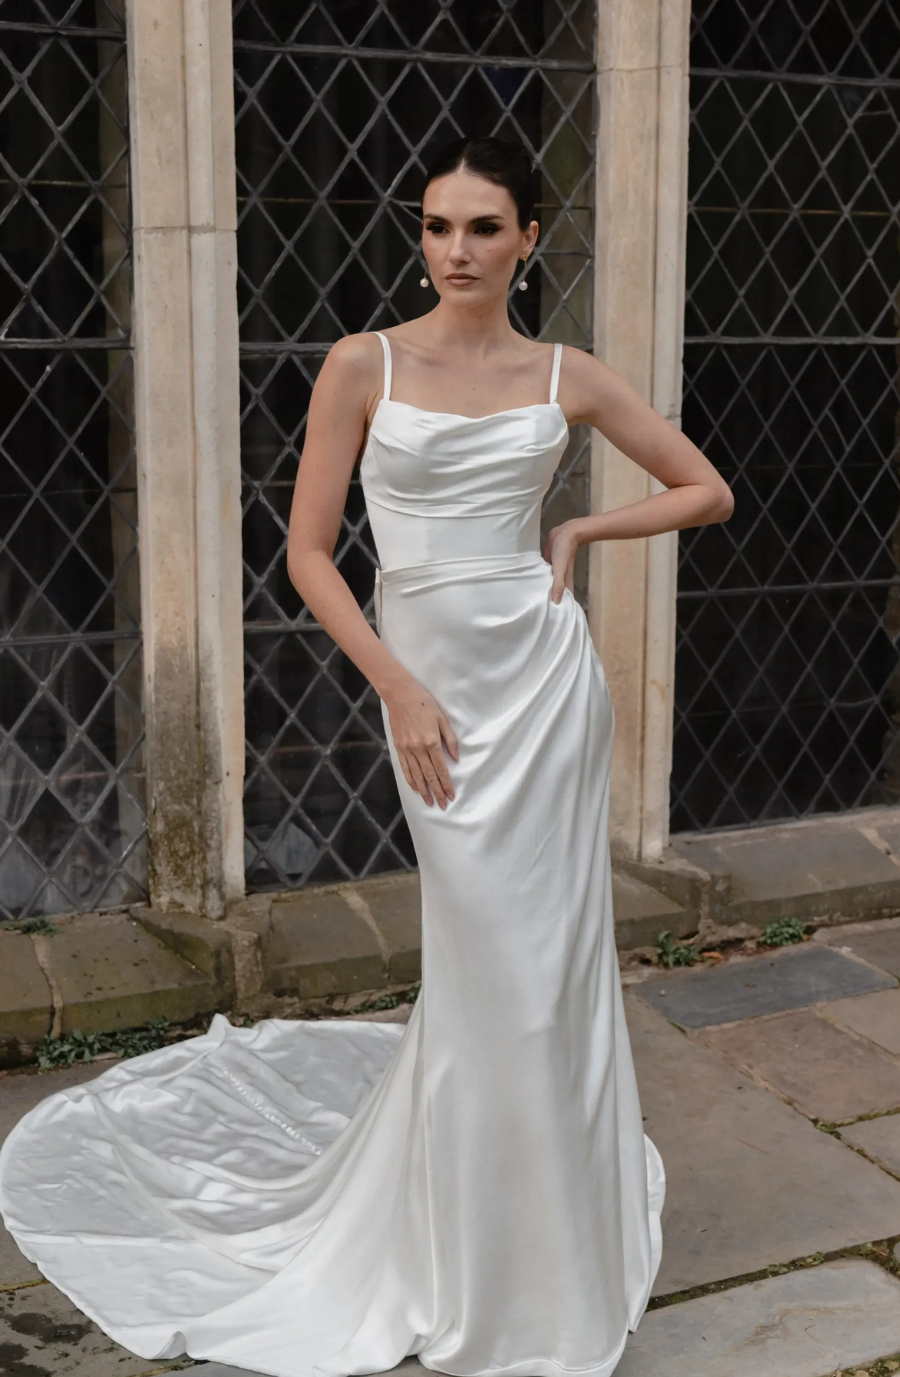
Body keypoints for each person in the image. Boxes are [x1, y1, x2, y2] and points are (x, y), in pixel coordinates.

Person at [0, 136, 732, 1377]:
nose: (455, 250)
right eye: (438, 227)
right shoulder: (363, 363)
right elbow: (308, 553)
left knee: (547, 970)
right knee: (489, 958)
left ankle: (549, 1250)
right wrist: (395, 685)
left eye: (483, 229)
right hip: (430, 693)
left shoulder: (568, 373)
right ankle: (473, 1245)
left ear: (527, 242)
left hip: (543, 686)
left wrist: (580, 529)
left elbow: (705, 489)